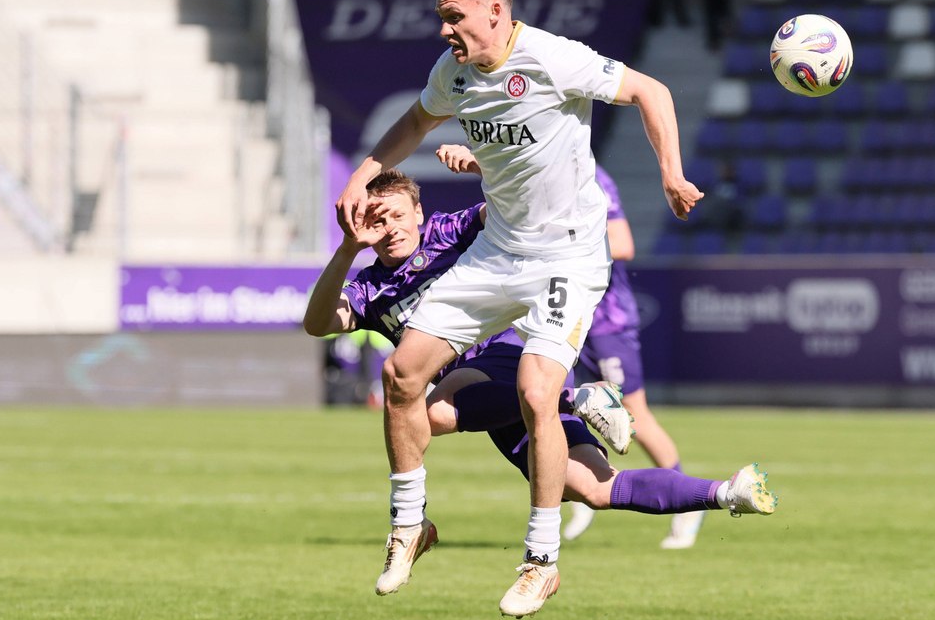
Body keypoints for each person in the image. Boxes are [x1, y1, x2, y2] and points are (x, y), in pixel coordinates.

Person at [334, 0, 703, 618]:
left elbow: (652, 91)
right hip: (498, 252)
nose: (444, 29)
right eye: (441, 18)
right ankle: (410, 523)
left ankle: (541, 562)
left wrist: (671, 174)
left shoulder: (554, 58)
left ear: (495, 11)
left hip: (567, 255)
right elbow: (414, 123)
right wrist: (361, 177)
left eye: (454, 17)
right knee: (401, 373)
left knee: (536, 392)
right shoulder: (452, 73)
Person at [306, 170, 775, 583]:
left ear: (418, 212)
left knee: (430, 416)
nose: (390, 228)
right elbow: (317, 322)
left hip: (513, 354)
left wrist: (489, 166)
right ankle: (727, 492)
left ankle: (575, 399)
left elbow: (506, 213)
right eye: (378, 219)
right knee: (592, 489)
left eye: (398, 215)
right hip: (490, 405)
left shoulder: (445, 232)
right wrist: (347, 250)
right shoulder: (370, 288)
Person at [561, 165, 707, 549]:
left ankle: (688, 502)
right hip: (566, 314)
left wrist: (560, 245)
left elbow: (623, 244)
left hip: (606, 320)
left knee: (634, 411)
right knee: (556, 402)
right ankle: (580, 489)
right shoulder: (545, 167)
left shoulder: (592, 176)